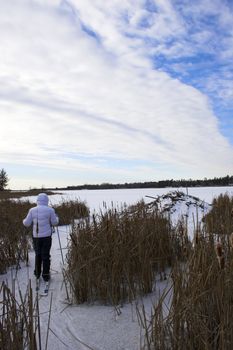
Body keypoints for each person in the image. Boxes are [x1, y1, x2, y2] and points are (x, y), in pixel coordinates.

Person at [23, 193, 59, 282]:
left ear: (38, 201)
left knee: (38, 254)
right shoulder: (50, 210)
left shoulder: (32, 210)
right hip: (47, 237)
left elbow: (26, 223)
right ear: (47, 201)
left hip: (36, 237)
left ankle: (37, 273)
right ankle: (46, 275)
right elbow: (54, 223)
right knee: (46, 255)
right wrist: (57, 218)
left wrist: (23, 220)